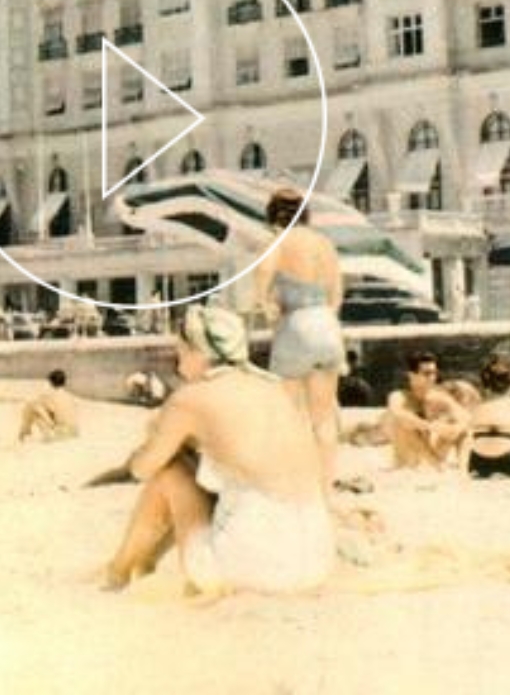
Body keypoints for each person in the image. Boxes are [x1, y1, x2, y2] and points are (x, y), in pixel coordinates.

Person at [103, 303, 334, 596]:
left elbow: (142, 469)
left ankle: (119, 571)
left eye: (181, 350)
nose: (178, 360)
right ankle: (139, 564)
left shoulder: (191, 399)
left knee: (170, 474)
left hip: (250, 570)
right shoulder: (274, 390)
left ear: (199, 351)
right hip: (315, 560)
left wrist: (155, 437)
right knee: (205, 475)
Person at [253, 187, 344, 495]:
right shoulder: (324, 243)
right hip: (327, 326)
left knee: (289, 417)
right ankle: (325, 489)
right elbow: (337, 295)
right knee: (324, 418)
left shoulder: (277, 242)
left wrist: (273, 315)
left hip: (295, 325)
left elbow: (261, 290)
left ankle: (294, 488)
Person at [384, 351, 470, 469]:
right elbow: (399, 415)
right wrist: (431, 426)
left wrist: (453, 429)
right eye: (427, 373)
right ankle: (436, 465)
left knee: (463, 431)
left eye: (434, 373)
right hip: (405, 467)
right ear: (411, 375)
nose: (432, 378)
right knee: (405, 422)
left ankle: (462, 473)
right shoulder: (398, 396)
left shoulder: (439, 398)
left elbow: (467, 418)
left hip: (429, 464)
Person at [19, 370, 79, 441]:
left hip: (61, 433)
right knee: (40, 408)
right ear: (64, 382)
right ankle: (26, 431)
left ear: (50, 383)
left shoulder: (48, 395)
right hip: (74, 432)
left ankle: (24, 432)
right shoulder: (69, 396)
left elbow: (35, 406)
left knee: (32, 406)